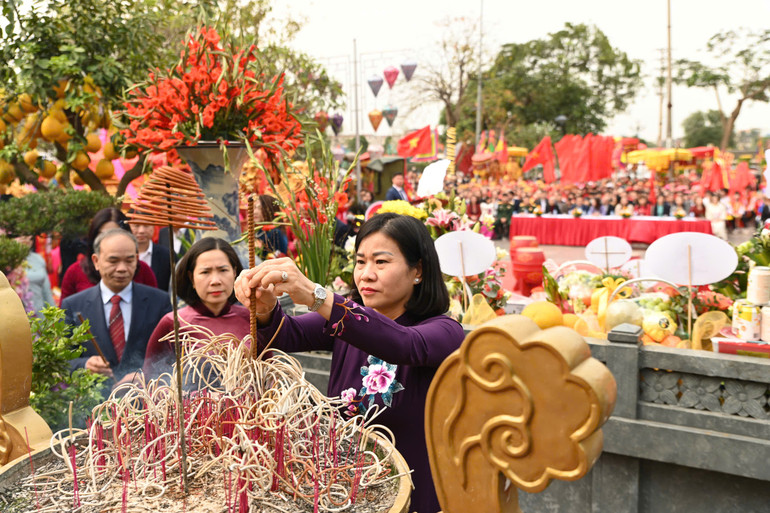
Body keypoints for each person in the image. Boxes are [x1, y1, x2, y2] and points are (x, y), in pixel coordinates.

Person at [234, 213, 465, 513]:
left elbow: (404, 345)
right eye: (360, 261)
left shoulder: (445, 332)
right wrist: (265, 309)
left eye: (381, 262)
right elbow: (286, 335)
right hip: (344, 491)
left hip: (413, 496)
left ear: (418, 270)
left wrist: (316, 296)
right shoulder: (346, 322)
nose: (366, 274)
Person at [63, 229, 171, 390]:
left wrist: (146, 375)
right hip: (91, 406)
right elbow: (62, 361)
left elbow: (172, 356)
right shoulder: (73, 305)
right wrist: (85, 364)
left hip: (146, 404)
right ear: (96, 261)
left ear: (137, 260)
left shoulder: (159, 301)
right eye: (113, 261)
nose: (122, 268)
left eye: (129, 261)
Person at [143, 238, 248, 380]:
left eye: (223, 270)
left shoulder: (251, 318)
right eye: (205, 272)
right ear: (191, 278)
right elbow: (152, 380)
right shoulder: (173, 323)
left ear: (235, 272)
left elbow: (269, 377)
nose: (215, 281)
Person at [60, 207, 157, 302]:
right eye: (103, 235)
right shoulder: (75, 272)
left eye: (116, 234)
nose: (109, 239)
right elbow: (64, 313)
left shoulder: (143, 271)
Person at [17, 235, 55, 314]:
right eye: (21, 234)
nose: (26, 238)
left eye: (28, 234)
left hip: (40, 315)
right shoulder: (6, 261)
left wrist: (54, 314)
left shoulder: (38, 259)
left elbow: (46, 291)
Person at [130, 221, 172, 291]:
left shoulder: (167, 255)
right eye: (136, 226)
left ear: (153, 227)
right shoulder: (121, 254)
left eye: (146, 226)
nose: (141, 231)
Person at [253, 194, 288, 259]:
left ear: (269, 210)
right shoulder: (259, 231)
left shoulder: (276, 233)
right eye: (254, 208)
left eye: (260, 208)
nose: (255, 212)